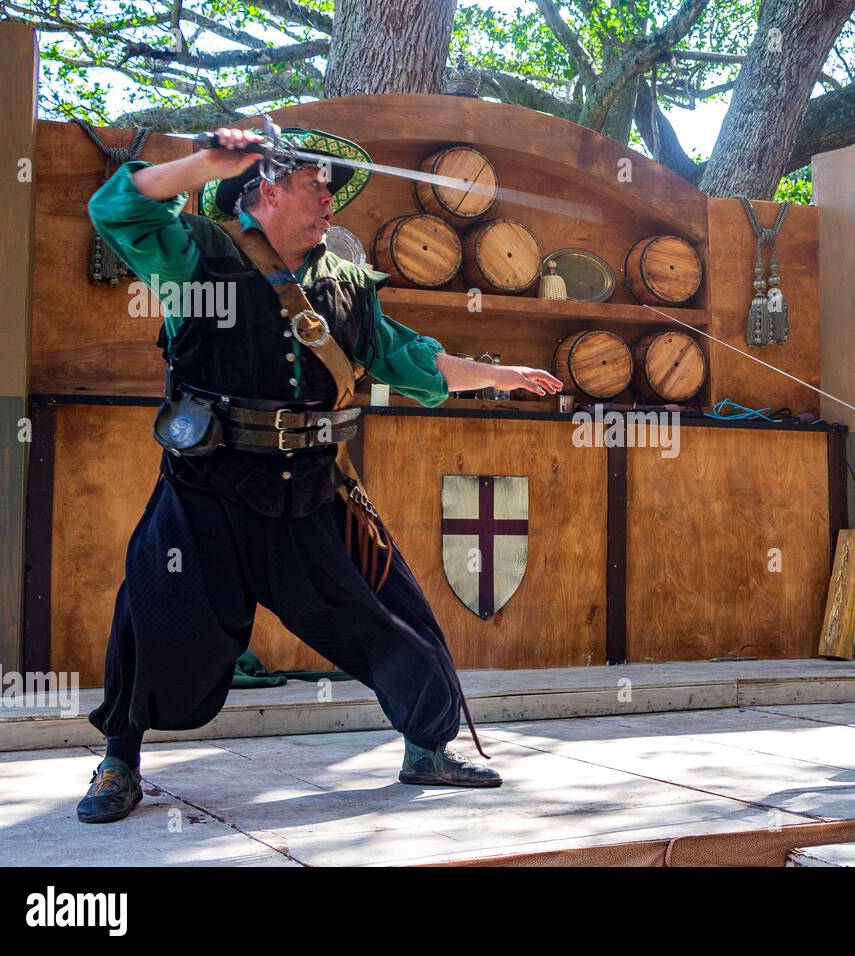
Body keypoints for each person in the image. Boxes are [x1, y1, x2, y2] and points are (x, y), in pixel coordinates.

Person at [76, 126, 563, 822]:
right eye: (315, 184)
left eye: (331, 187)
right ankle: (119, 761)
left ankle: (427, 747)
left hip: (313, 487)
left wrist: (501, 377)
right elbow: (118, 210)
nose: (330, 198)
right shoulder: (199, 260)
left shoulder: (350, 287)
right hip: (206, 489)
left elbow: (414, 363)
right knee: (156, 618)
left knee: (394, 615)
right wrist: (207, 162)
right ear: (265, 191)